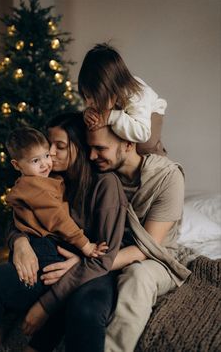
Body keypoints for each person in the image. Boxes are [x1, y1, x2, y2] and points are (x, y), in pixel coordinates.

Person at [16, 125, 192, 352]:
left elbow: (147, 247)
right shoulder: (92, 170)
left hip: (151, 255)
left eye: (100, 148)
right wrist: (19, 240)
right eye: (89, 147)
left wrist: (86, 261)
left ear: (129, 145)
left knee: (137, 276)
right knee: (75, 293)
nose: (91, 155)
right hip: (101, 254)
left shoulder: (165, 178)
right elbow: (33, 209)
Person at [0, 113, 128, 352]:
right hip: (52, 261)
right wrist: (20, 243)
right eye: (48, 145)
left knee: (85, 310)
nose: (49, 154)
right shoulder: (47, 176)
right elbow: (21, 215)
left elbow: (104, 255)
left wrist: (45, 305)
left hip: (92, 269)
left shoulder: (105, 184)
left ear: (79, 147)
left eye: (59, 146)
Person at [6, 126, 106, 262]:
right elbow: (57, 218)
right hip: (42, 244)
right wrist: (85, 245)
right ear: (17, 165)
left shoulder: (45, 180)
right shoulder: (34, 187)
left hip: (46, 241)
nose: (45, 164)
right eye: (35, 160)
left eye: (46, 156)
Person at [78, 42, 168, 156]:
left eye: (94, 98)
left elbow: (143, 133)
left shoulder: (136, 94)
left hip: (151, 114)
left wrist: (111, 117)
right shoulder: (104, 96)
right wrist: (87, 114)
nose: (88, 102)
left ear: (112, 89)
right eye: (87, 96)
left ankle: (160, 163)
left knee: (145, 146)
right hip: (125, 112)